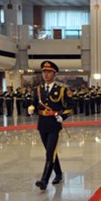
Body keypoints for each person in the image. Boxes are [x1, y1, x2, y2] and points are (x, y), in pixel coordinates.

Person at [28, 61, 74, 191]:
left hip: (54, 124)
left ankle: (44, 180)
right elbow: (35, 104)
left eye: (49, 72)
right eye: (44, 72)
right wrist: (31, 109)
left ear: (54, 74)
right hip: (42, 124)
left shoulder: (62, 89)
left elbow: (71, 106)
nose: (46, 75)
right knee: (51, 151)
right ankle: (58, 173)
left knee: (49, 153)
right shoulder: (38, 89)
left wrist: (63, 116)